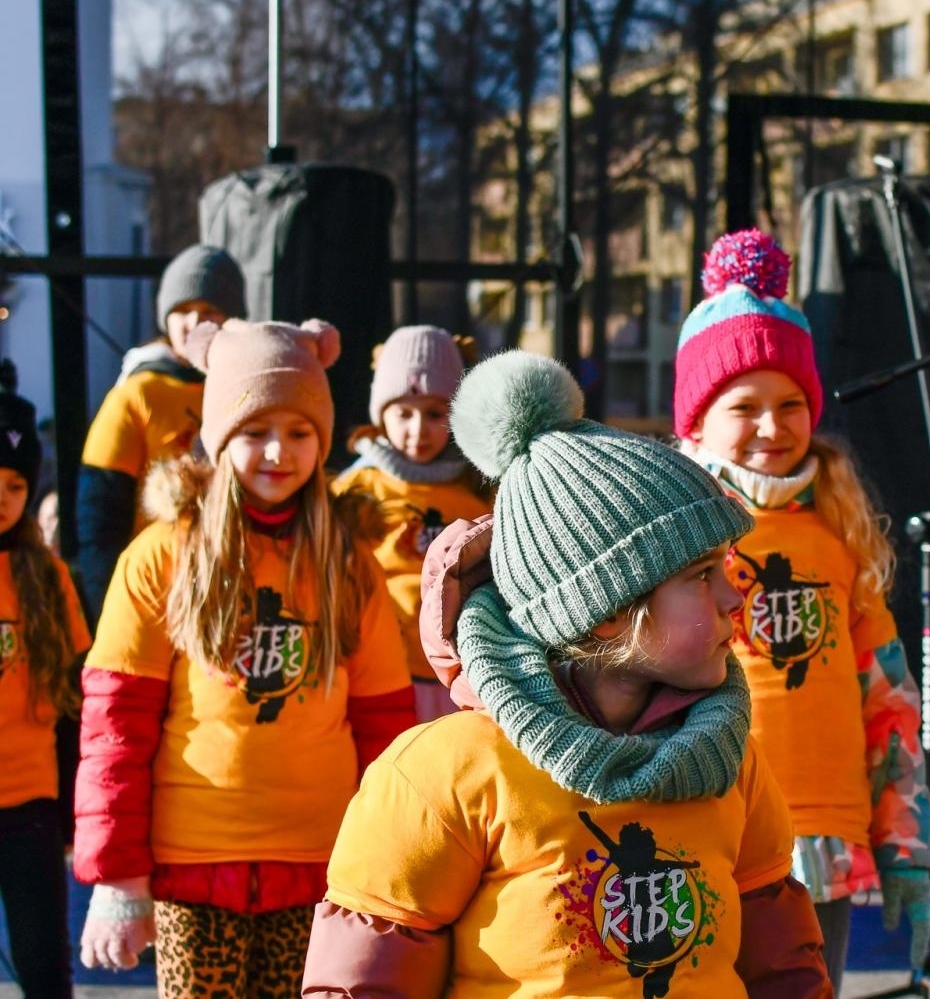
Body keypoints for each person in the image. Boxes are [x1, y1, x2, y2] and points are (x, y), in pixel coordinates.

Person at [302, 350, 831, 998]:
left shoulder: (731, 759)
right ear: (605, 613)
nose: (734, 596)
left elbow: (782, 969)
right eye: (700, 576)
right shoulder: (449, 772)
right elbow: (365, 984)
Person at [72, 319, 415, 998]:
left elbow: (386, 731)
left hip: (322, 862)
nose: (276, 452)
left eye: (297, 431)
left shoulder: (349, 564)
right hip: (192, 861)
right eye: (254, 431)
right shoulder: (160, 556)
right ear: (219, 437)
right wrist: (119, 876)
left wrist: (394, 859)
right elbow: (117, 726)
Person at [673, 228, 930, 989]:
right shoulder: (674, 532)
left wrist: (906, 847)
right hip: (710, 823)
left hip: (825, 828)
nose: (772, 425)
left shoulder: (839, 530)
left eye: (791, 403)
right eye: (744, 404)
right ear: (695, 419)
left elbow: (888, 703)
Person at [77, 244, 248, 627]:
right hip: (155, 590)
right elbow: (99, 515)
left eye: (209, 312)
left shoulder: (249, 389)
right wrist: (108, 608)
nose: (194, 323)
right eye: (182, 311)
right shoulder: (137, 394)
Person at [334, 325, 492, 722]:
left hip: (459, 673)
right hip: (379, 670)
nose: (418, 430)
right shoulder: (358, 487)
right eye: (403, 413)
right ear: (380, 413)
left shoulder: (479, 486)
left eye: (435, 414)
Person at [0, 363, 92, 998]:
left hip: (28, 803)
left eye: (13, 484)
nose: (2, 496)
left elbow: (72, 701)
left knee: (43, 964)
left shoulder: (46, 575)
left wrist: (69, 808)